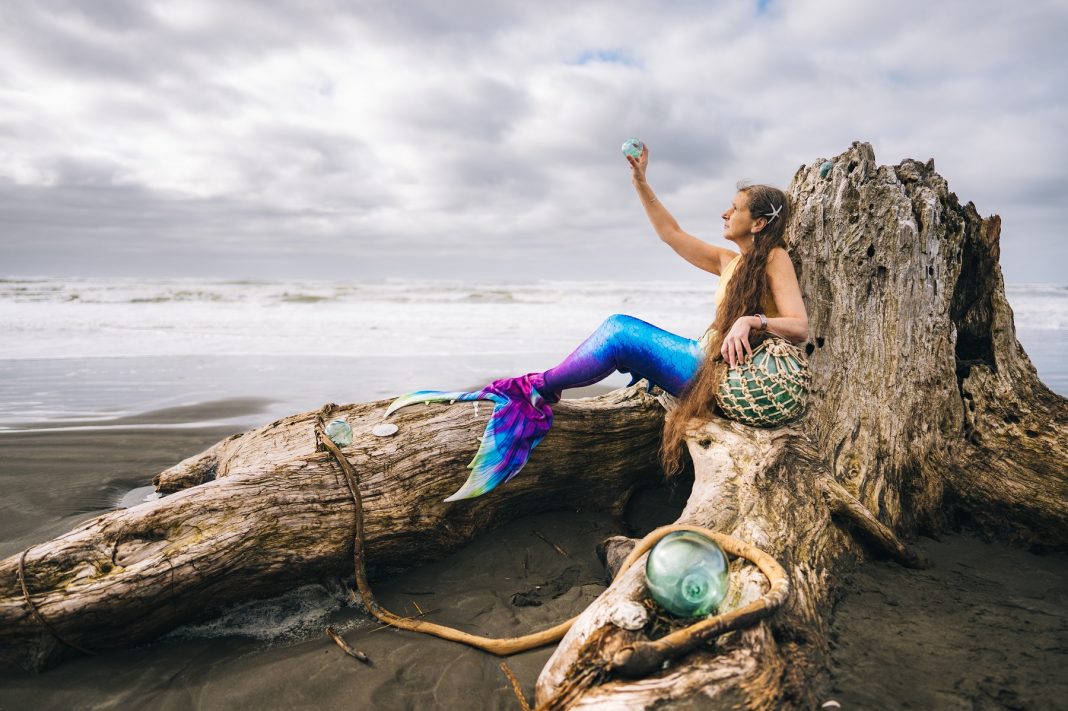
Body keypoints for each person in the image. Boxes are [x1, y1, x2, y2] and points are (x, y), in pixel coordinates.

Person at [386, 143, 809, 501]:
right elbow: (670, 233)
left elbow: (799, 326)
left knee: (620, 331)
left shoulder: (774, 258)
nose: (723, 213)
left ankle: (534, 391)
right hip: (705, 362)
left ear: (758, 223)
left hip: (725, 379)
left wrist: (752, 322)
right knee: (628, 342)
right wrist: (642, 183)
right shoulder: (727, 262)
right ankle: (538, 389)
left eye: (733, 209)